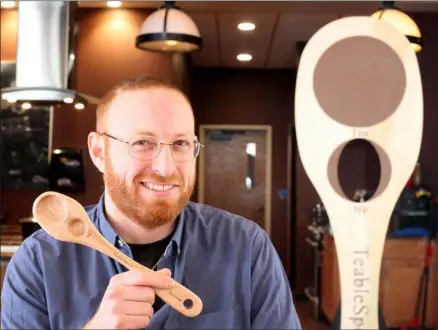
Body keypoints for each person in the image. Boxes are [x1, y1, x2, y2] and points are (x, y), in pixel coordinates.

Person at [1, 76, 302, 329]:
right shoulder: (39, 261)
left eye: (181, 143)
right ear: (98, 151)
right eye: (142, 143)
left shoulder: (246, 248)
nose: (167, 168)